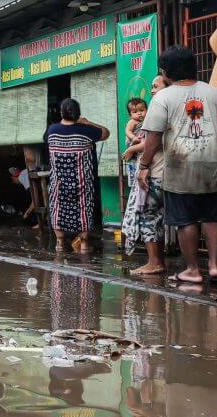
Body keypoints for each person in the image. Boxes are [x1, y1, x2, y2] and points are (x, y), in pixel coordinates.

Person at [139, 46, 217, 286]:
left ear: (165, 72)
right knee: (213, 217)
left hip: (180, 164)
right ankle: (214, 266)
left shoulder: (162, 98)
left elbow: (154, 138)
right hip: (213, 162)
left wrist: (144, 165)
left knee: (185, 219)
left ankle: (192, 270)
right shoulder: (214, 93)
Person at [45, 97, 109, 253]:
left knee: (58, 209)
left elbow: (46, 140)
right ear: (78, 114)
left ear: (61, 113)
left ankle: (60, 243)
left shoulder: (52, 130)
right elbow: (106, 133)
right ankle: (85, 245)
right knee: (83, 208)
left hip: (58, 183)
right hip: (82, 182)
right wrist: (88, 122)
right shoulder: (86, 130)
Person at [123, 75, 169, 276]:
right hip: (168, 171)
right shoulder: (172, 107)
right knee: (161, 217)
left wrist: (136, 154)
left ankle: (155, 263)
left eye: (155, 86)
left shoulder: (161, 108)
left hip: (156, 171)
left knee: (150, 216)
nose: (151, 90)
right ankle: (158, 261)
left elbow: (154, 141)